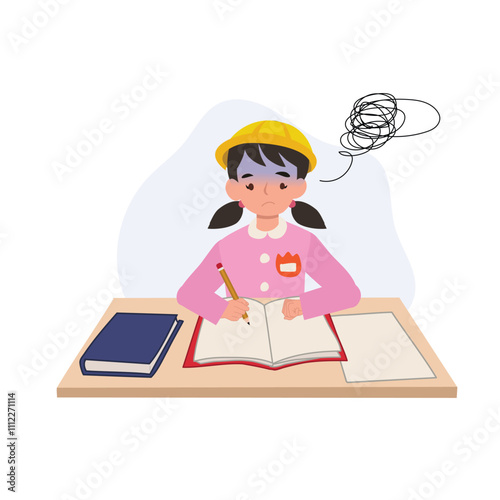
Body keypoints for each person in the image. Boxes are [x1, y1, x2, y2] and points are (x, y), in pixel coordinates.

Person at [177, 120, 361, 324]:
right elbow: (189, 294)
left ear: (299, 187)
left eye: (281, 183)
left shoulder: (305, 241)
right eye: (250, 184)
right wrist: (221, 308)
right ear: (234, 188)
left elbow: (347, 293)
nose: (266, 191)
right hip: (236, 335)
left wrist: (303, 305)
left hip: (289, 335)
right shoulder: (227, 246)